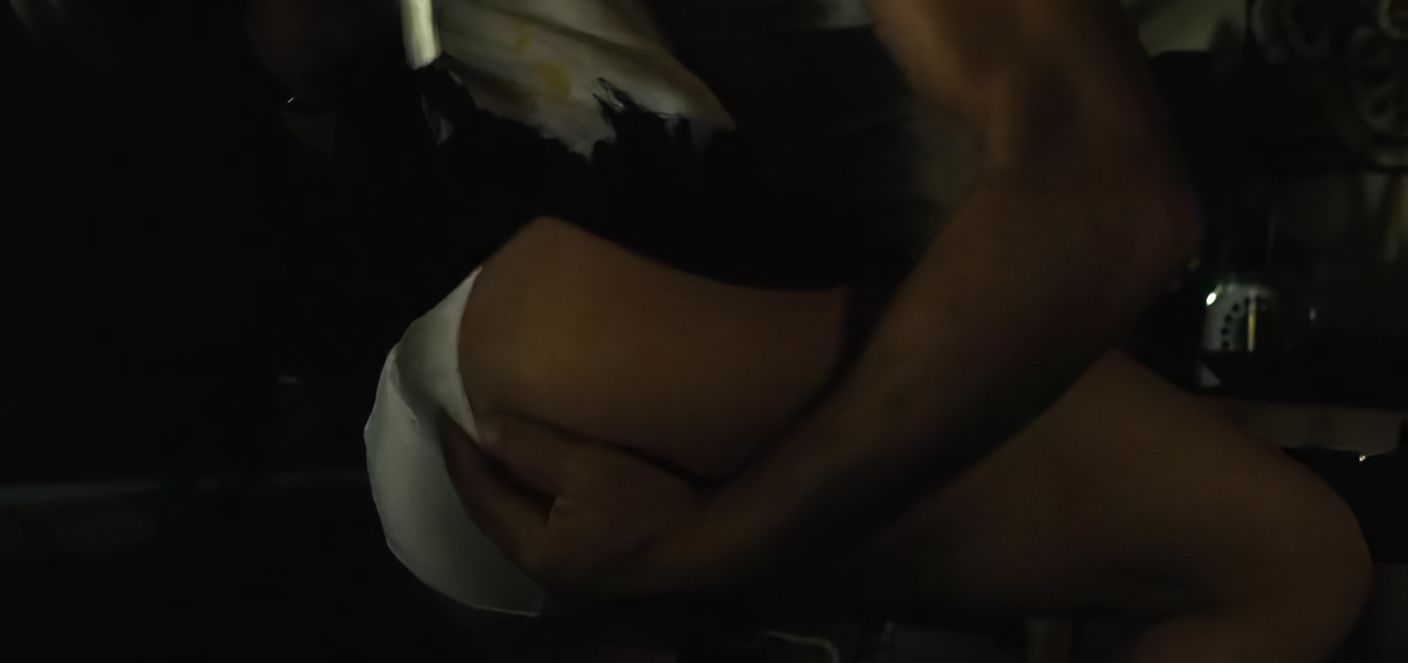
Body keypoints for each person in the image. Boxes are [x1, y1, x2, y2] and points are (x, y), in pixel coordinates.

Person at [363, 1, 1374, 661]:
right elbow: (1107, 204)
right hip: (600, 382)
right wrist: (712, 546)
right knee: (1286, 566)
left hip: (499, 368)